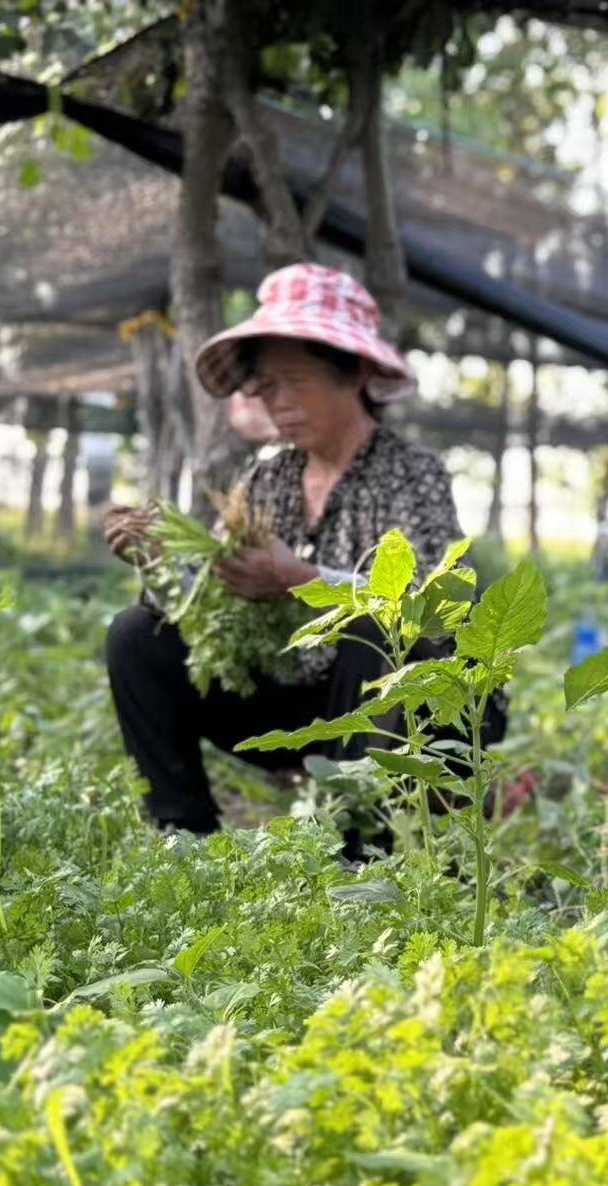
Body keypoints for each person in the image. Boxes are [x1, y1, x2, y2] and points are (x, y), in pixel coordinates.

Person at [103, 263, 462, 835]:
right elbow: (211, 611)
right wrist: (159, 559)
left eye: (296, 380)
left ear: (356, 373)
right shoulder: (267, 479)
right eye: (267, 387)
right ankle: (183, 834)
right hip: (294, 708)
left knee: (372, 631)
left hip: (406, 718)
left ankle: (355, 841)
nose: (280, 402)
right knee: (134, 636)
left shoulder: (411, 473)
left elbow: (435, 612)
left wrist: (302, 578)